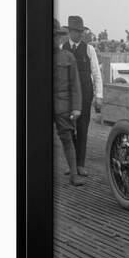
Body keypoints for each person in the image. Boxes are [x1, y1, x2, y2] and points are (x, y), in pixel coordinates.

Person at [62, 16, 103, 177]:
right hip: (68, 95)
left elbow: (97, 74)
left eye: (81, 31)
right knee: (68, 129)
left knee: (82, 129)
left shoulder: (89, 49)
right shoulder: (62, 48)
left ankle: (80, 164)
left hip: (85, 94)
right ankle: (71, 164)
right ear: (69, 31)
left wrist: (99, 96)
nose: (79, 34)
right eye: (76, 31)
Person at [53, 19, 85, 186]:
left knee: (67, 139)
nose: (55, 40)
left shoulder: (68, 57)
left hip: (64, 106)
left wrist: (76, 108)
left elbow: (76, 85)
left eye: (57, 36)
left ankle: (74, 174)